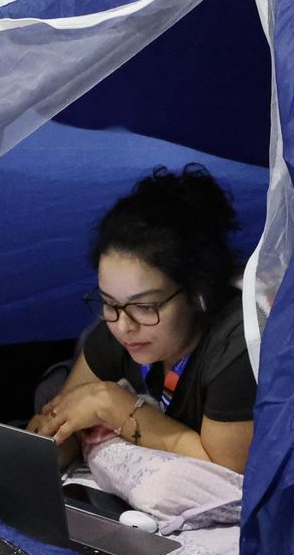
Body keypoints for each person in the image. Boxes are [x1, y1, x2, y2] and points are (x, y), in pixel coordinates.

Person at [28, 166, 255, 474]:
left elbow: (228, 472)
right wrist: (56, 442)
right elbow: (57, 421)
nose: (124, 326)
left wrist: (114, 407)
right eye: (109, 303)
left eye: (145, 306)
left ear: (198, 293)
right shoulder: (120, 330)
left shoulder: (237, 347)